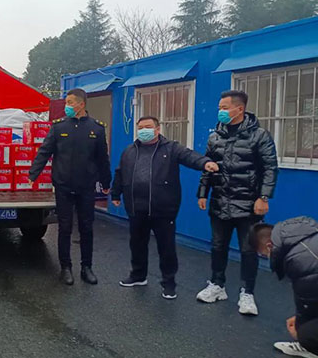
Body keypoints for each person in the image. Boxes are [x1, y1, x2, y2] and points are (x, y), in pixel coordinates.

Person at [111, 116, 219, 299]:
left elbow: (189, 156)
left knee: (166, 247)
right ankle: (138, 276)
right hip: (136, 207)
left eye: (148, 127)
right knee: (137, 244)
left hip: (163, 208)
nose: (144, 130)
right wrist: (115, 193)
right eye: (140, 127)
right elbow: (120, 173)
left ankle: (169, 283)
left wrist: (204, 163)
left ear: (157, 129)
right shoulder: (129, 151)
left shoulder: (171, 148)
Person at [196, 90, 278, 315]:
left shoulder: (259, 136)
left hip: (249, 204)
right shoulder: (215, 137)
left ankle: (247, 293)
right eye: (219, 108)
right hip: (220, 201)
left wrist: (263, 197)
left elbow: (270, 168)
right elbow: (208, 167)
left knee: (248, 250)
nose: (220, 112)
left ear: (239, 109)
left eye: (224, 108)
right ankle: (217, 285)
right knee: (217, 246)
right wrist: (202, 193)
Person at [29, 88, 111, 286]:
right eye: (66, 102)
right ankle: (65, 267)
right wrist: (33, 174)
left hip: (86, 187)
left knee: (86, 227)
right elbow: (45, 151)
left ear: (81, 104)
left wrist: (106, 183)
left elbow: (102, 159)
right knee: (64, 227)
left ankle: (87, 267)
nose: (67, 106)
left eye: (70, 102)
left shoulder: (96, 129)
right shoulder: (59, 127)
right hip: (63, 186)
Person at [250, 218, 318, 358]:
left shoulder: (297, 260)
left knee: (306, 333)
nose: (267, 257)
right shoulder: (309, 235)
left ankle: (308, 346)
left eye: (264, 254)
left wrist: (300, 327)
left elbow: (308, 303)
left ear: (269, 246)